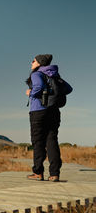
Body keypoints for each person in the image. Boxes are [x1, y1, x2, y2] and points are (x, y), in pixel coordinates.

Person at [25, 54, 72, 182]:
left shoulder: (36, 74)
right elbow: (68, 89)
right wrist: (52, 93)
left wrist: (31, 93)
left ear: (39, 63)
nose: (31, 62)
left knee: (38, 141)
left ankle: (38, 173)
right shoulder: (55, 75)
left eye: (33, 60)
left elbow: (39, 86)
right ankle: (54, 174)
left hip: (38, 111)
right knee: (52, 141)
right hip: (54, 111)